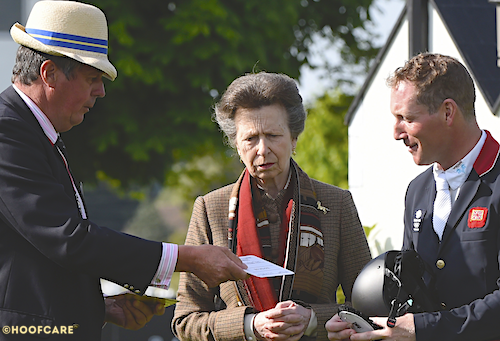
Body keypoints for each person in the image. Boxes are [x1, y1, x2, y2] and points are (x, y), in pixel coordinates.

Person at [0, 1, 248, 340]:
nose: (100, 91)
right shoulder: (8, 132)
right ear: (49, 74)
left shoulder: (32, 131)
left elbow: (34, 258)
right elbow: (68, 239)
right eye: (92, 78)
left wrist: (98, 306)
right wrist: (186, 258)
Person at [172, 72, 371, 341]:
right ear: (236, 145)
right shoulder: (210, 209)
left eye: (273, 135)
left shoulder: (336, 204)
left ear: (294, 138)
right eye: (250, 138)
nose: (263, 149)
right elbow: (186, 321)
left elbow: (368, 308)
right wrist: (250, 325)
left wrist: (312, 319)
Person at [326, 53, 500, 341]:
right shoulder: (417, 191)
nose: (396, 133)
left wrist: (424, 330)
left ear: (447, 112)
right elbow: (411, 292)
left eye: (406, 118)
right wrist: (361, 325)